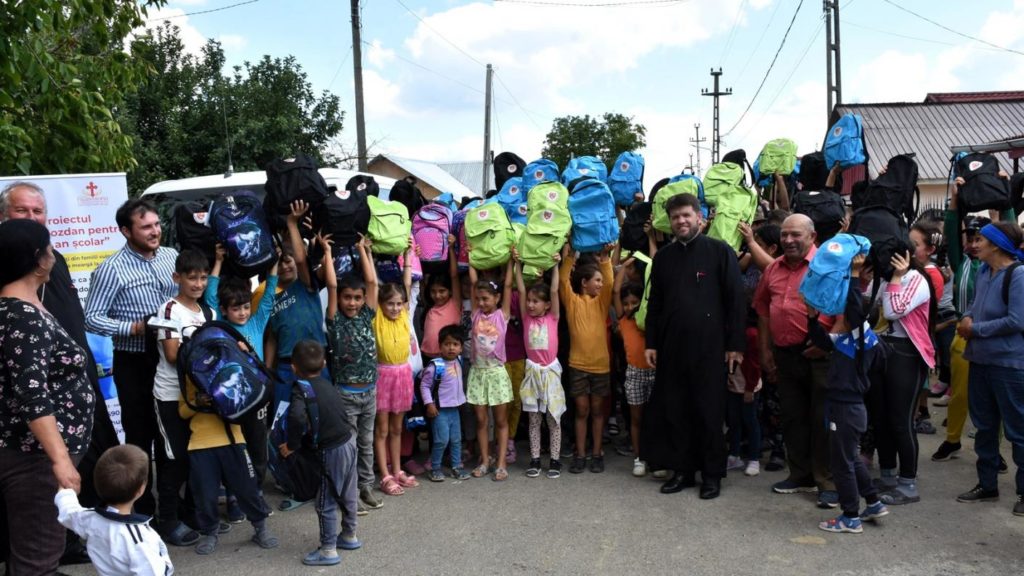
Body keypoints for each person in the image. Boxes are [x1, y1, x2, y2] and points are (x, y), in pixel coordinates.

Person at [1, 180, 119, 563]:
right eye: (24, 211)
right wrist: (60, 460)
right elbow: (32, 393)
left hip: (44, 449)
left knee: (40, 548)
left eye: (39, 211)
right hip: (35, 456)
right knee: (36, 557)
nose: (52, 254)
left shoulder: (32, 297)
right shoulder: (20, 316)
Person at [641, 193, 745, 500]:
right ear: (669, 222)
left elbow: (736, 301)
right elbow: (655, 304)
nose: (681, 221)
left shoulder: (720, 252)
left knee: (709, 412)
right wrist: (651, 343)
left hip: (711, 348)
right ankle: (682, 471)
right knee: (676, 410)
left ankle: (711, 475)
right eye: (675, 217)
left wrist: (734, 345)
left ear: (700, 217)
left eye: (686, 215)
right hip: (672, 348)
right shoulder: (664, 257)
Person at [85, 198, 178, 515]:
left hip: (173, 358)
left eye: (156, 224)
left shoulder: (171, 257)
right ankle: (142, 510)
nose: (155, 232)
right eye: (146, 227)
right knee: (141, 437)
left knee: (172, 435)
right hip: (135, 363)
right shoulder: (111, 269)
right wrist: (134, 327)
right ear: (125, 231)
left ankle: (172, 507)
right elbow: (92, 318)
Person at [804, 246, 890, 534]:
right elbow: (821, 340)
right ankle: (873, 503)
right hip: (844, 407)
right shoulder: (847, 340)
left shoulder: (865, 342)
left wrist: (854, 274)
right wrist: (812, 318)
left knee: (841, 465)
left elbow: (853, 304)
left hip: (846, 408)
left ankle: (850, 517)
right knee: (850, 458)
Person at [754, 213, 838, 507]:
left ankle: (826, 481)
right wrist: (765, 350)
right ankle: (800, 474)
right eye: (785, 235)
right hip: (785, 354)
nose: (788, 240)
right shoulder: (773, 269)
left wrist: (824, 340)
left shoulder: (826, 266)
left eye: (796, 235)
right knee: (793, 416)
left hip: (820, 355)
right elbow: (763, 306)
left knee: (822, 419)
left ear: (812, 237)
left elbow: (840, 308)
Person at [179, 346, 278, 555]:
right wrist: (197, 401)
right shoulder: (189, 376)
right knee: (205, 494)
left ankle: (260, 528)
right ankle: (210, 533)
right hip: (200, 443)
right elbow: (182, 411)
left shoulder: (230, 367)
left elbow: (250, 396)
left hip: (233, 439)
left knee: (248, 488)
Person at [954, 221, 1024, 517]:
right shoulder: (983, 271)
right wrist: (967, 319)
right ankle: (987, 484)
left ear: (996, 245)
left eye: (980, 239)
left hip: (1009, 364)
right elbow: (974, 305)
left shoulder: (1018, 275)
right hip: (979, 360)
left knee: (1018, 431)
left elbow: (1017, 321)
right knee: (984, 427)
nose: (974, 244)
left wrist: (976, 329)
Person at [204, 243, 279, 517]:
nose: (243, 313)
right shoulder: (219, 327)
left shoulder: (256, 323)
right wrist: (218, 262)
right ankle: (235, 498)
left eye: (246, 307)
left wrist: (273, 267)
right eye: (236, 309)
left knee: (259, 452)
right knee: (236, 451)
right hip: (231, 400)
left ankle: (255, 496)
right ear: (224, 311)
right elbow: (211, 297)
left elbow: (269, 295)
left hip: (256, 399)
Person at [862, 248, 935, 505]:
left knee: (900, 420)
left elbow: (894, 310)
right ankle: (888, 475)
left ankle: (908, 484)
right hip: (881, 350)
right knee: (880, 417)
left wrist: (896, 277)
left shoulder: (916, 279)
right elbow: (866, 303)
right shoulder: (881, 278)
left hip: (906, 354)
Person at [280, 340, 362, 566]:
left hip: (331, 451)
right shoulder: (328, 384)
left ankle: (328, 550)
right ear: (324, 363)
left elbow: (296, 417)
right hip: (349, 441)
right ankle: (349, 535)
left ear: (294, 368)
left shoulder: (300, 388)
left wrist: (293, 445)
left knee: (325, 500)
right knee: (348, 492)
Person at [152, 249, 211, 546]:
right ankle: (168, 521)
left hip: (196, 399)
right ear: (177, 278)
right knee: (173, 460)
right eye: (192, 278)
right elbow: (174, 355)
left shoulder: (206, 312)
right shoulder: (169, 310)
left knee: (193, 458)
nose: (198, 284)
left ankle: (191, 513)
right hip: (169, 397)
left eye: (202, 277)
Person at [324, 235, 383, 512]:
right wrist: (326, 251)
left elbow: (372, 283)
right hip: (345, 393)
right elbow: (332, 284)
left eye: (357, 298)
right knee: (348, 449)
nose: (352, 303)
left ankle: (365, 488)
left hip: (369, 391)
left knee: (366, 444)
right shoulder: (335, 320)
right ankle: (348, 494)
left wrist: (361, 249)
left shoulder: (366, 315)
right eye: (348, 298)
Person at [55, 445, 174, 575]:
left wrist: (65, 488)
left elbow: (68, 510)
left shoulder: (89, 519)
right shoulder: (140, 539)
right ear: (140, 490)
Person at [560, 243, 615, 474]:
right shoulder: (572, 302)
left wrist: (605, 259)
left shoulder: (601, 303)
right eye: (597, 281)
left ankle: (596, 453)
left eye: (601, 281)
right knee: (581, 410)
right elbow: (563, 281)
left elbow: (611, 282)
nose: (601, 285)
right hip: (578, 365)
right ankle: (580, 454)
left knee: (598, 410)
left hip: (600, 366)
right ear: (584, 283)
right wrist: (570, 256)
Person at [515, 257, 566, 479]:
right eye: (530, 301)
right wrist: (517, 265)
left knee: (554, 419)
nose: (531, 304)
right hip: (532, 373)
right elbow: (520, 289)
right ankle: (535, 459)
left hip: (551, 373)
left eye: (536, 301)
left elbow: (554, 290)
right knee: (534, 419)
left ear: (547, 305)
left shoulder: (553, 318)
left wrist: (555, 265)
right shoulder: (526, 318)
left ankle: (555, 459)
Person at [373, 247, 418, 496]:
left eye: (399, 303)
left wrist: (408, 256)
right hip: (383, 375)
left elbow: (407, 283)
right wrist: (367, 254)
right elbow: (371, 282)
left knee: (398, 428)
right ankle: (385, 474)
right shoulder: (377, 316)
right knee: (381, 429)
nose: (395, 308)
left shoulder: (404, 315)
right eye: (390, 303)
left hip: (402, 376)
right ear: (381, 304)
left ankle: (398, 470)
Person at [467, 261, 515, 481]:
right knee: (481, 420)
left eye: (486, 298)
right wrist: (472, 260)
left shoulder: (501, 316)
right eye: (478, 299)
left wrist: (512, 263)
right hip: (478, 372)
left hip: (496, 372)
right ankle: (485, 460)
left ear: (496, 299)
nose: (481, 302)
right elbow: (473, 282)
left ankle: (502, 462)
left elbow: (507, 287)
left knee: (501, 420)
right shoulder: (475, 315)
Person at [612, 260, 655, 477]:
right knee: (636, 419)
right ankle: (640, 458)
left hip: (654, 371)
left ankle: (657, 458)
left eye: (634, 302)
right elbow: (616, 290)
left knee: (655, 417)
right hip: (634, 373)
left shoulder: (647, 319)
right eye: (626, 303)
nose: (629, 307)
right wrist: (624, 266)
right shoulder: (623, 320)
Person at [420, 325, 471, 482]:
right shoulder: (436, 365)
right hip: (440, 411)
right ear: (440, 346)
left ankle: (456, 466)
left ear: (461, 348)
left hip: (455, 409)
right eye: (447, 344)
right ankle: (435, 468)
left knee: (456, 439)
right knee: (441, 440)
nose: (451, 348)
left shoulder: (459, 361)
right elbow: (425, 385)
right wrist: (429, 404)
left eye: (455, 344)